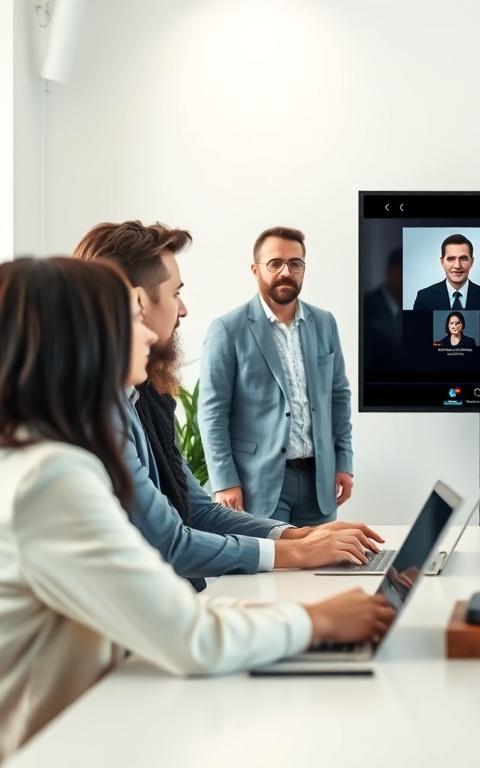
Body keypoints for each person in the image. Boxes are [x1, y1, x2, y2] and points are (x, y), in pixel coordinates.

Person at [0, 257, 395, 760]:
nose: (147, 335)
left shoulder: (38, 459)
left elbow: (161, 602)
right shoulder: (50, 480)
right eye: (129, 320)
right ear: (83, 342)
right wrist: (318, 621)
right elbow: (189, 638)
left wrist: (290, 552)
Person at [74, 222, 379, 591]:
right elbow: (171, 541)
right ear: (135, 303)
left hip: (313, 476)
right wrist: (295, 551)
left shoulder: (145, 400)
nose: (183, 309)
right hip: (158, 611)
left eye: (296, 263)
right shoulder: (103, 413)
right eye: (176, 293)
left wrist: (297, 538)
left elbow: (196, 509)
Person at [200, 226, 359, 528]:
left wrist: (344, 462)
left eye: (295, 263)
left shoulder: (324, 322)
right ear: (255, 269)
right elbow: (212, 413)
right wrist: (224, 481)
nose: (286, 271)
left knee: (322, 568)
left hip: (319, 481)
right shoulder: (227, 329)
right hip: (258, 483)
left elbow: (339, 396)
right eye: (275, 263)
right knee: (270, 572)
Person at [412, 233, 480, 310]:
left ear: (472, 262)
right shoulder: (424, 297)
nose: (457, 266)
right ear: (442, 262)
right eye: (451, 259)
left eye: (463, 258)